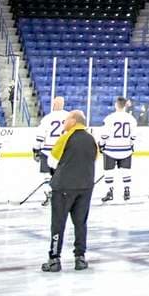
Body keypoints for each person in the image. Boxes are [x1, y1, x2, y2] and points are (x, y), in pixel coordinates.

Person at [42, 109, 96, 273]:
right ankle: (80, 257)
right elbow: (94, 158)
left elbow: (52, 161)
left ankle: (54, 259)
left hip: (64, 187)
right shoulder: (91, 139)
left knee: (58, 223)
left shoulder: (65, 137)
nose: (63, 123)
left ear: (73, 120)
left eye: (66, 120)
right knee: (80, 223)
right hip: (85, 185)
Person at [99, 97, 138, 203]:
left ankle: (109, 192)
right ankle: (127, 191)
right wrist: (131, 144)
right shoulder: (131, 119)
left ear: (116, 105)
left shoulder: (109, 118)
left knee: (109, 172)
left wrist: (101, 145)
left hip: (110, 149)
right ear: (125, 105)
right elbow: (134, 136)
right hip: (125, 149)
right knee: (126, 171)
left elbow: (104, 135)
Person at [32, 97, 69, 207]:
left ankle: (48, 192)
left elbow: (40, 137)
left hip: (48, 150)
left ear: (53, 104)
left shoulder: (47, 118)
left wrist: (36, 149)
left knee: (46, 174)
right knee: (63, 175)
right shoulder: (69, 117)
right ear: (63, 104)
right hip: (63, 150)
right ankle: (63, 196)